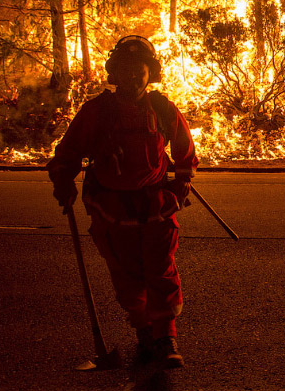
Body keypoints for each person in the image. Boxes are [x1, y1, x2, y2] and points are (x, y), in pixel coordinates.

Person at [47, 35, 198, 368]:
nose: (132, 77)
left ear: (150, 73)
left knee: (161, 271)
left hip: (156, 207)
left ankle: (165, 337)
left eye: (139, 70)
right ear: (114, 73)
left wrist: (181, 184)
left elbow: (185, 152)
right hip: (111, 210)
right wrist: (63, 181)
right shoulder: (96, 112)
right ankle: (144, 330)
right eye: (126, 70)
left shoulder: (162, 109)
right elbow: (68, 152)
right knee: (126, 276)